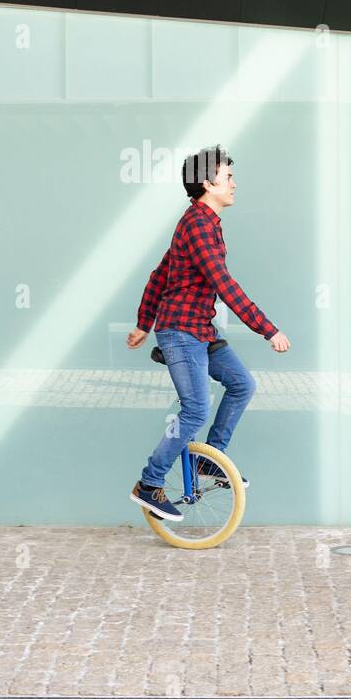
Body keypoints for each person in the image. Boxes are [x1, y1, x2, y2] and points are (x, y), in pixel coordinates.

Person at [126, 145, 290, 522]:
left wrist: (141, 324)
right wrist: (269, 330)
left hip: (199, 330)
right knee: (196, 408)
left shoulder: (204, 222)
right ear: (207, 182)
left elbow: (158, 275)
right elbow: (225, 285)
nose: (234, 183)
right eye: (227, 177)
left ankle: (207, 460)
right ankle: (149, 483)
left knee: (242, 384)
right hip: (180, 332)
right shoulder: (198, 225)